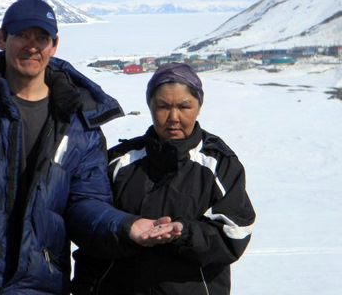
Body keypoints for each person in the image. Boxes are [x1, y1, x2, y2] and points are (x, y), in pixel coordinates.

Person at [0, 0, 182, 295]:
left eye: (41, 38)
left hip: (39, 285)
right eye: (22, 35)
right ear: (1, 38)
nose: (32, 46)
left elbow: (86, 203)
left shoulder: (78, 125)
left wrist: (125, 226)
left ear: (54, 44)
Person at [71, 62, 256, 295]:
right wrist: (127, 230)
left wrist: (184, 233)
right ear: (150, 106)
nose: (174, 117)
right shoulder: (119, 161)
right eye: (163, 106)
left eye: (184, 106)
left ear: (199, 106)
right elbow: (88, 224)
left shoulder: (219, 164)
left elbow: (234, 232)